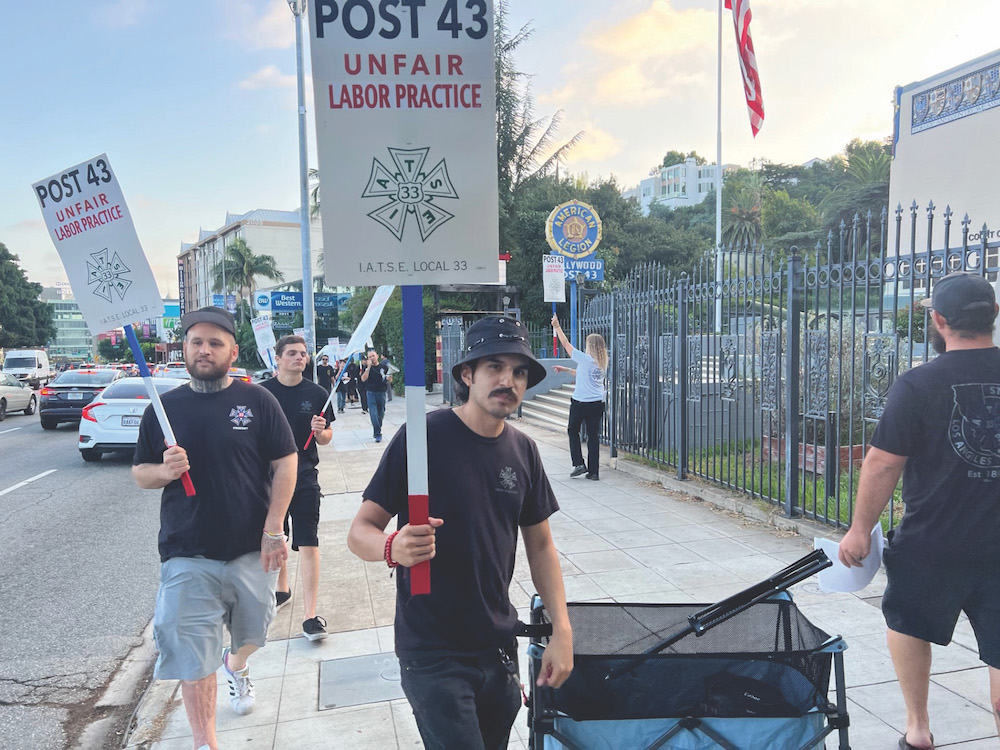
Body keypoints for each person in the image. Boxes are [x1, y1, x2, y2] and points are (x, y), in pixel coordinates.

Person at [347, 316, 573, 750]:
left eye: (519, 371)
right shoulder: (422, 438)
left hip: (497, 644)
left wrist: (561, 631)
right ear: (467, 374)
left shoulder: (523, 450)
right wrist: (393, 546)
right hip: (432, 651)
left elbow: (541, 545)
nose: (509, 380)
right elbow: (361, 530)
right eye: (495, 367)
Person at [838, 272, 1000, 750]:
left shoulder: (917, 385)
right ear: (994, 315)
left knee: (907, 621)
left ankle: (918, 728)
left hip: (932, 541)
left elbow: (884, 462)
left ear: (939, 320)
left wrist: (860, 529)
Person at [132, 306, 297, 750]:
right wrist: (165, 471)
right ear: (184, 348)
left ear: (232, 350)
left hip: (250, 549)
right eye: (196, 342)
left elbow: (285, 462)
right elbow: (140, 474)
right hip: (188, 553)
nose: (205, 350)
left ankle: (237, 664)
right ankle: (206, 742)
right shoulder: (164, 409)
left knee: (254, 635)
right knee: (194, 661)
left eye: (215, 343)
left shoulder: (257, 400)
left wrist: (274, 527)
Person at [260, 335, 335, 642]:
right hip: (267, 478)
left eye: (303, 354)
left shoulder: (317, 393)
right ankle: (281, 588)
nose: (299, 358)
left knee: (308, 541)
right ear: (277, 358)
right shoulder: (261, 394)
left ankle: (310, 616)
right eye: (292, 353)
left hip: (304, 476)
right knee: (274, 535)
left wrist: (321, 432)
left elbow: (328, 435)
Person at [550, 315, 608, 481]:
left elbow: (565, 344)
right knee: (593, 436)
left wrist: (557, 326)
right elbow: (586, 374)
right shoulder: (603, 361)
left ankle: (579, 464)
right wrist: (567, 370)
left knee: (572, 431)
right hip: (597, 403)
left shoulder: (585, 358)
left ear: (591, 346)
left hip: (581, 402)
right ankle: (594, 472)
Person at [360, 349, 390, 442]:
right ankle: (377, 433)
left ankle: (377, 429)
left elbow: (389, 378)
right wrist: (368, 368)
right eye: (369, 357)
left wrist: (389, 378)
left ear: (377, 356)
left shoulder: (384, 367)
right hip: (371, 393)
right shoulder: (367, 368)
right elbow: (363, 379)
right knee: (373, 414)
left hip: (381, 393)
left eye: (373, 356)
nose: (372, 358)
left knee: (381, 413)